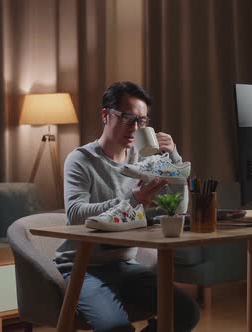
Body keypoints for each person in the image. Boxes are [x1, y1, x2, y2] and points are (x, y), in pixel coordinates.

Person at [56, 81, 200, 332]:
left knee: (186, 312)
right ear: (105, 115)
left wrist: (175, 160)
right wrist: (132, 201)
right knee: (116, 328)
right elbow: (75, 214)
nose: (135, 128)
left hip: (125, 265)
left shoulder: (143, 161)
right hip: (84, 266)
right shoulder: (80, 160)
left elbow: (178, 210)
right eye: (127, 118)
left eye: (142, 121)